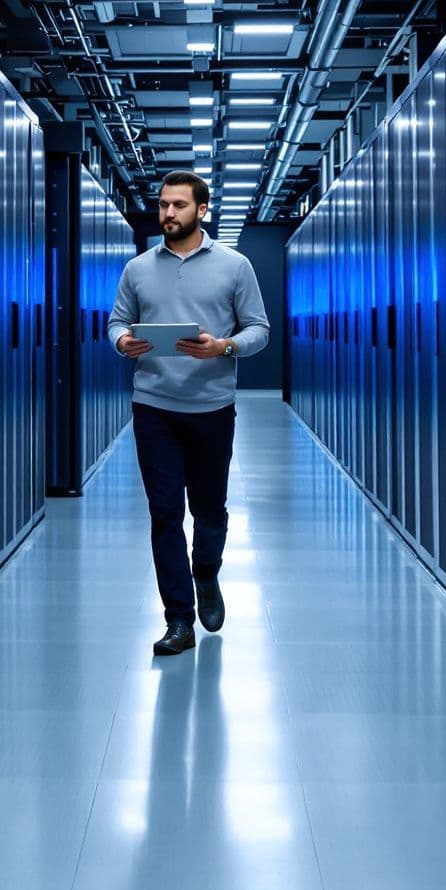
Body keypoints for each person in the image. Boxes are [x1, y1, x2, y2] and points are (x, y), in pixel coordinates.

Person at [108, 170, 271, 656]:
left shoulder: (235, 266)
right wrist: (123, 342)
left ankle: (206, 574)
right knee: (164, 513)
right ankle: (178, 618)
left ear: (202, 210)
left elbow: (259, 329)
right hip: (154, 406)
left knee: (208, 510)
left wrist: (223, 347)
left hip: (211, 408)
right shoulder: (138, 268)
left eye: (178, 205)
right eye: (162, 205)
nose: (167, 214)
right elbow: (116, 321)